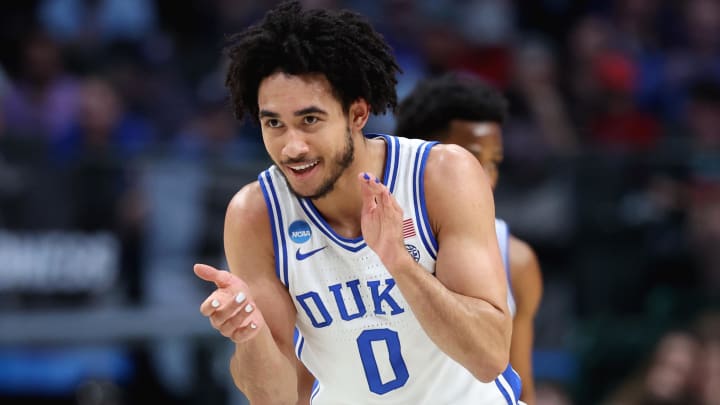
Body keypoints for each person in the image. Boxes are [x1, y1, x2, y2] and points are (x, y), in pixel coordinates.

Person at [193, 1, 519, 404]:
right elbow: (277, 397)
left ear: (358, 113)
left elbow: (489, 357)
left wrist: (400, 264)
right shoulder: (255, 215)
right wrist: (249, 334)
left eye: (310, 120)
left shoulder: (441, 176)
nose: (292, 146)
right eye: (273, 123)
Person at [395, 73, 543, 405]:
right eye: (472, 160)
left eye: (494, 163)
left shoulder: (516, 260)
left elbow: (521, 386)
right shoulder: (358, 239)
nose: (485, 178)